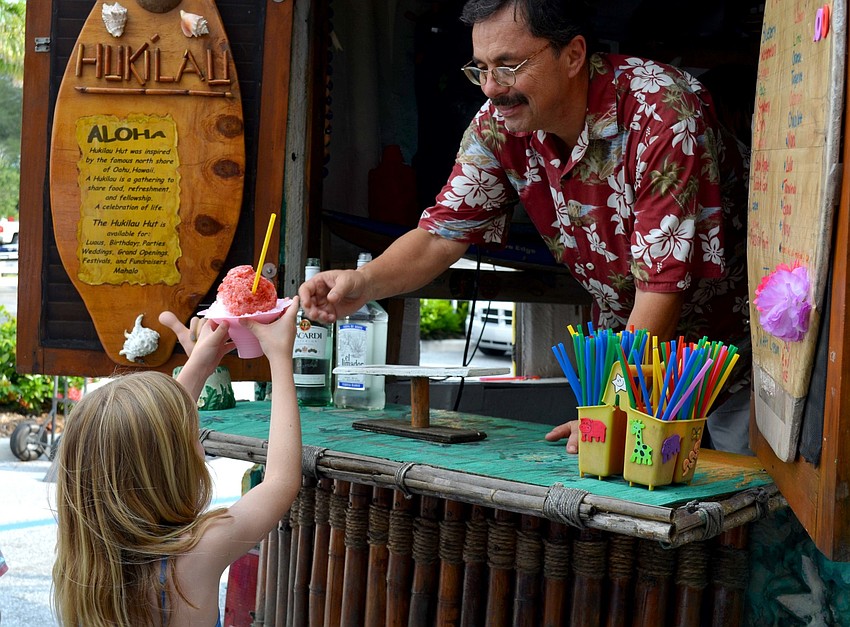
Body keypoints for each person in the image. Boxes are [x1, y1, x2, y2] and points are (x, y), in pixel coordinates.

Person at [299, 0, 750, 454]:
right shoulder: (499, 127)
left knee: (744, 503)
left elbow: (660, 289)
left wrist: (612, 406)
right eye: (480, 69)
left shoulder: (661, 110)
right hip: (627, 354)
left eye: (509, 66)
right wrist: (364, 281)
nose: (491, 89)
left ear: (573, 55)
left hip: (734, 353)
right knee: (626, 496)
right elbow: (440, 236)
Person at [52, 299, 302, 626]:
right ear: (173, 466)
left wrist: (198, 364)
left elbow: (150, 441)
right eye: (192, 434)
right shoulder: (197, 553)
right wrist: (281, 359)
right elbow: (280, 481)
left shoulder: (80, 562)